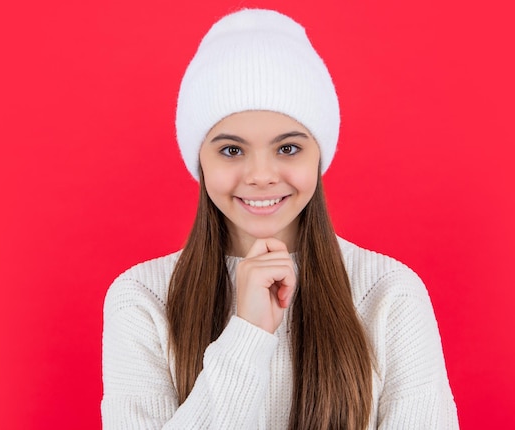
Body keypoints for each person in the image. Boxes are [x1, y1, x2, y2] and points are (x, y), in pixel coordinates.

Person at [101, 8, 458, 429]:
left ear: (318, 154)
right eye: (231, 150)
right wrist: (248, 333)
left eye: (288, 148)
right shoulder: (143, 299)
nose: (261, 176)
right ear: (199, 159)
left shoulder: (388, 295)